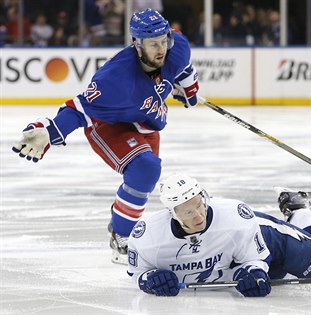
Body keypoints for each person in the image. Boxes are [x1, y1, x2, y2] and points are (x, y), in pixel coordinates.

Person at [11, 9, 200, 264]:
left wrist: (189, 91)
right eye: (153, 43)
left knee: (145, 176)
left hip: (145, 125)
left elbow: (184, 68)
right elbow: (78, 110)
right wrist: (50, 130)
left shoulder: (176, 46)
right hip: (108, 125)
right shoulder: (115, 79)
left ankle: (122, 221)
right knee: (145, 167)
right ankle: (121, 236)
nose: (161, 48)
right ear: (137, 44)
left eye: (163, 40)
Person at [127, 174, 311, 297]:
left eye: (200, 206)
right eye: (189, 212)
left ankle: (298, 207)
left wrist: (253, 272)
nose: (199, 216)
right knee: (279, 276)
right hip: (230, 261)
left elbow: (255, 258)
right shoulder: (148, 236)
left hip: (261, 238)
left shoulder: (236, 219)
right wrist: (149, 280)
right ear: (172, 213)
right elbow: (137, 273)